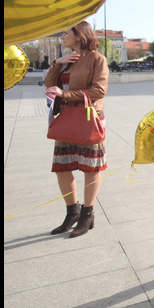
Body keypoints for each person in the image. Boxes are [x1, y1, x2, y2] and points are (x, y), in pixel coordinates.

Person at [44, 21, 109, 238]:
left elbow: (99, 90)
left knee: (91, 167)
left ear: (79, 34)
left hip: (89, 118)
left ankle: (87, 213)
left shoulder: (96, 59)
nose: (62, 37)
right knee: (62, 166)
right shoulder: (67, 60)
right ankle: (72, 212)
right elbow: (49, 84)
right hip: (67, 119)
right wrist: (57, 63)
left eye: (66, 33)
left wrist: (66, 95)